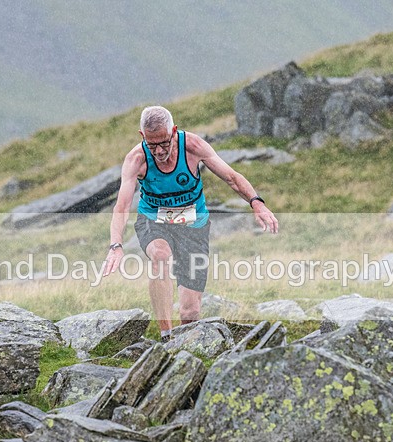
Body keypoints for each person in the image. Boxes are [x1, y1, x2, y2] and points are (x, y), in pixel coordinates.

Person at [102, 105, 278, 342]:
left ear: (174, 131)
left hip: (194, 226)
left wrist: (257, 202)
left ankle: (184, 344)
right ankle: (166, 336)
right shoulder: (136, 159)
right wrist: (116, 245)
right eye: (152, 144)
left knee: (190, 313)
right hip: (154, 220)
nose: (159, 150)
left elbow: (232, 178)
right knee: (160, 255)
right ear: (143, 136)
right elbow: (122, 206)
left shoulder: (193, 146)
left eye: (164, 142)